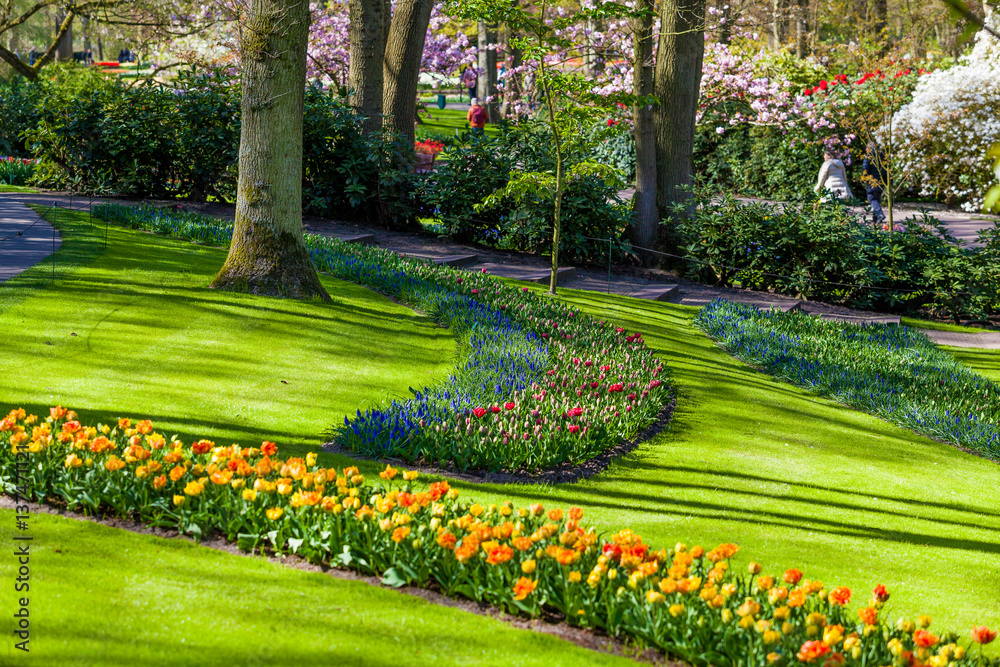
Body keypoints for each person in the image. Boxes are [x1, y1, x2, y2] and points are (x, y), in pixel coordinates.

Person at [862, 142, 887, 226]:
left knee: (872, 199)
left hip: (871, 181)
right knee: (876, 199)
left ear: (869, 148)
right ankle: (875, 220)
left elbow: (865, 169)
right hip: (880, 182)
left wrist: (865, 177)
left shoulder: (868, 156)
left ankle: (880, 215)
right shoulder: (881, 157)